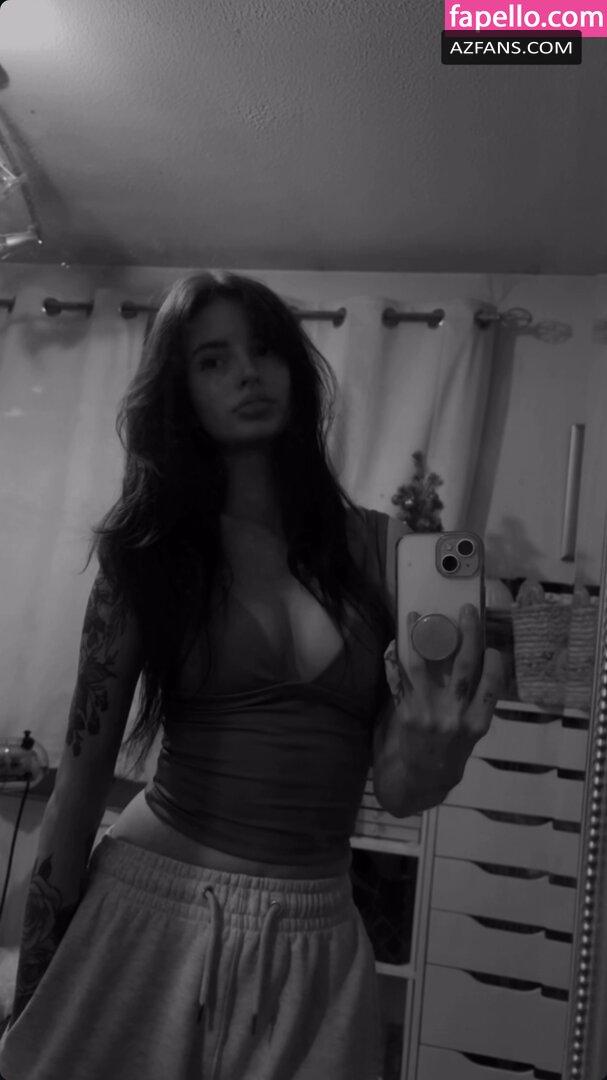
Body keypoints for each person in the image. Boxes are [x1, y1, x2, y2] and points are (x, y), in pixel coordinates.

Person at [0, 271, 503, 1080]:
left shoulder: (380, 549)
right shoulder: (147, 552)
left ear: (294, 370)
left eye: (264, 350)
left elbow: (400, 788)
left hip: (315, 930)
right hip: (153, 905)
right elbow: (79, 788)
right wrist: (31, 994)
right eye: (213, 360)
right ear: (180, 390)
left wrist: (440, 749)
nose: (246, 374)